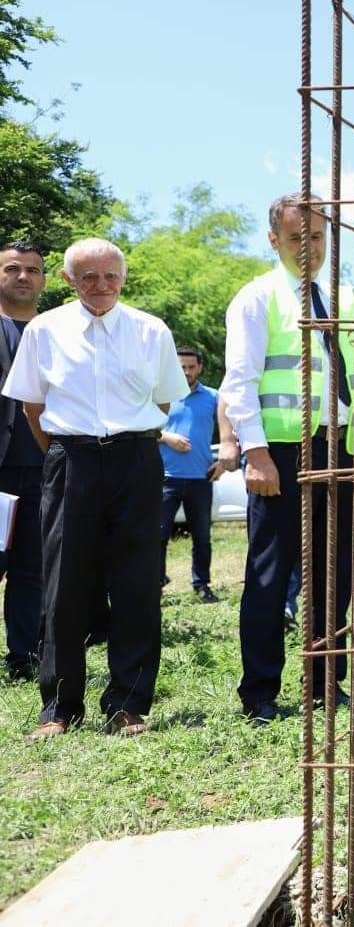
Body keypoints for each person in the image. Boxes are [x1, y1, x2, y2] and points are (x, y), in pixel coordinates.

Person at [6, 238, 186, 739]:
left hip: (136, 460)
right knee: (64, 584)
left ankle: (129, 703)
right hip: (71, 459)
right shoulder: (45, 330)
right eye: (88, 277)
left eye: (109, 276)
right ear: (68, 280)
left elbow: (166, 402)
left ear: (123, 277)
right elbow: (32, 410)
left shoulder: (151, 330)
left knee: (137, 581)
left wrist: (127, 441)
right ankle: (59, 709)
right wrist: (67, 457)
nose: (100, 286)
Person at [223, 193, 354, 725]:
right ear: (273, 239)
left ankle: (324, 682)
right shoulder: (257, 297)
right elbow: (239, 383)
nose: (308, 248)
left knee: (335, 573)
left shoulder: (345, 298)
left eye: (316, 237)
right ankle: (260, 692)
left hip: (337, 447)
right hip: (281, 451)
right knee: (269, 575)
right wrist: (256, 452)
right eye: (296, 238)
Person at [0, 241, 48, 681]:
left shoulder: (55, 331)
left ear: (44, 280)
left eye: (32, 270)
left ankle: (24, 658)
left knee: (31, 569)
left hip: (43, 468)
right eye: (13, 268)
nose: (23, 277)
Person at [158, 346, 222, 602]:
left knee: (202, 537)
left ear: (200, 367)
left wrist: (224, 463)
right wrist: (167, 437)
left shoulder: (214, 397)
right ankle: (156, 585)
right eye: (181, 367)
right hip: (165, 478)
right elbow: (144, 429)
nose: (186, 372)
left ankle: (202, 585)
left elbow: (234, 428)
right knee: (158, 536)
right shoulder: (162, 396)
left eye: (191, 367)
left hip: (200, 478)